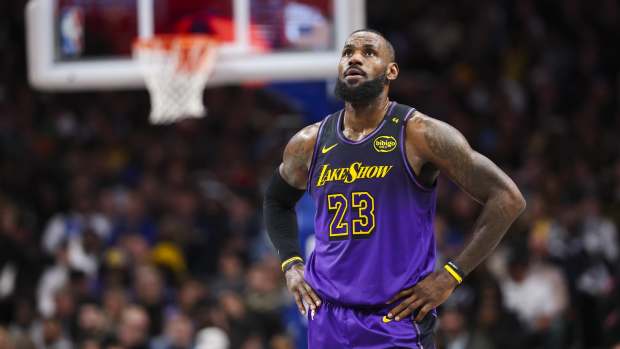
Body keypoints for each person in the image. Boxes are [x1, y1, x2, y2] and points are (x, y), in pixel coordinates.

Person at [263, 29, 526, 348]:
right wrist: (291, 264)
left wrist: (450, 276)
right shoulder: (309, 142)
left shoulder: (419, 134)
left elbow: (508, 199)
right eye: (347, 52)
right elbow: (276, 201)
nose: (355, 58)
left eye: (369, 52)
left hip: (394, 320)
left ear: (392, 71)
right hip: (328, 318)